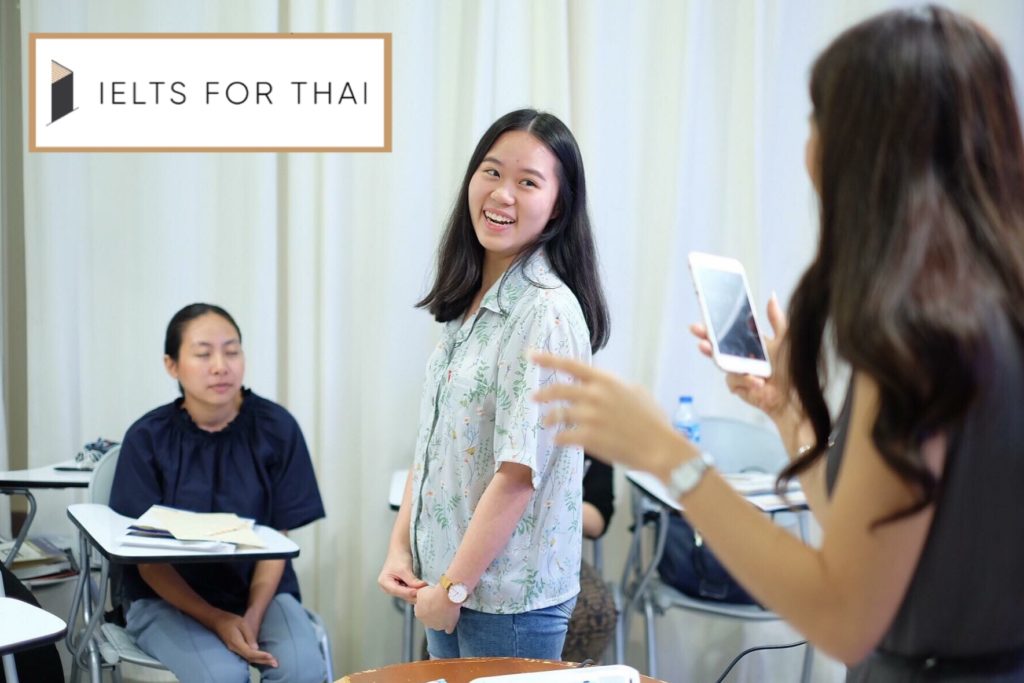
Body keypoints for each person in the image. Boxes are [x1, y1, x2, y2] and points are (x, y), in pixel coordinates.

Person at [535, 6, 1024, 680]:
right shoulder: (991, 305)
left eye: (817, 119)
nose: (809, 147)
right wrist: (789, 417)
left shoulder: (920, 336)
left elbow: (845, 616)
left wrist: (668, 455)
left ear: (865, 149)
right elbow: (869, 535)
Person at [378, 108, 610, 661]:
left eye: (528, 182)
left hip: (505, 601)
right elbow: (433, 444)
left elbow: (518, 474)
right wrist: (400, 549)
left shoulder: (545, 312)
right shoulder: (474, 302)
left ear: (558, 206)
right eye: (492, 171)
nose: (502, 194)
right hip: (445, 582)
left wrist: (453, 589)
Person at [109, 304, 326, 683]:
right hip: (165, 597)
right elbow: (147, 561)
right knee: (222, 676)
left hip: (261, 592)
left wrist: (252, 616)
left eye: (231, 351)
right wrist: (217, 619)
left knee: (302, 671)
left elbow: (277, 541)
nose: (220, 366)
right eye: (203, 353)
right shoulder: (147, 439)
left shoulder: (276, 428)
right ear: (172, 365)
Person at [561, 455, 617, 664]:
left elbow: (598, 521)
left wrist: (550, 499)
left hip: (558, 552)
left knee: (597, 612)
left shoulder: (594, 447)